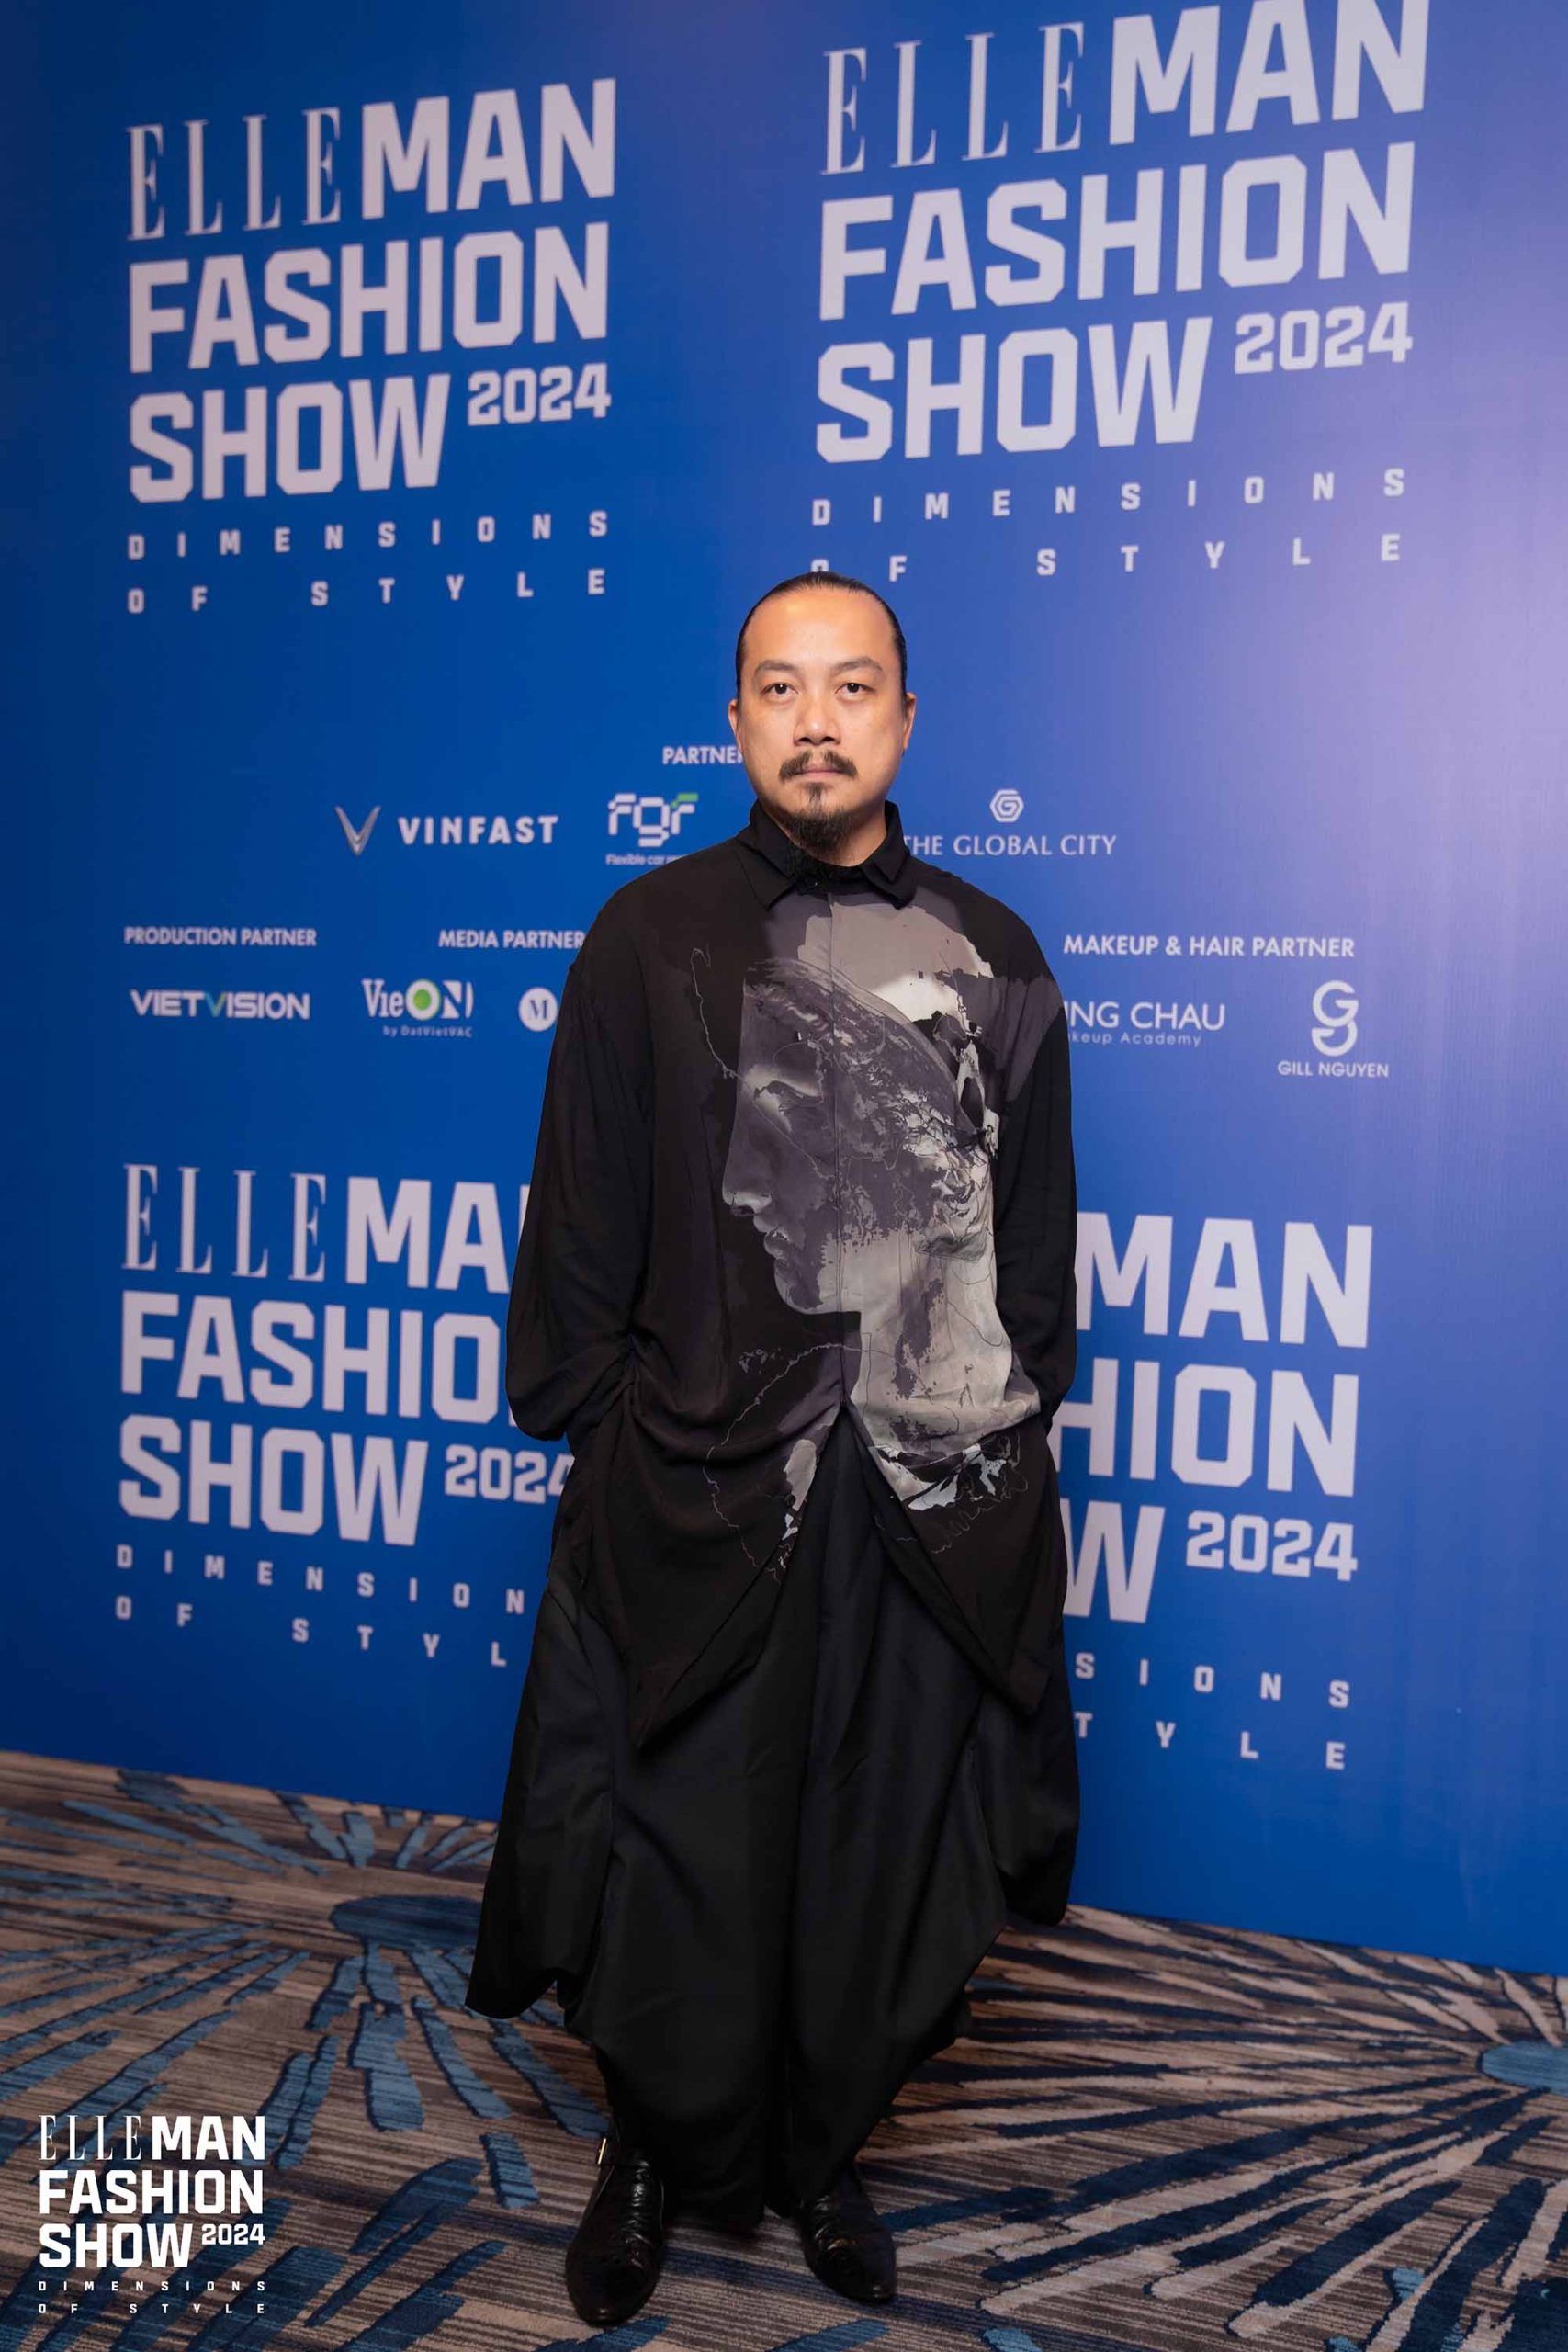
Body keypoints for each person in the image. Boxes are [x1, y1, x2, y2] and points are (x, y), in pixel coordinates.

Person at [465, 571, 1080, 2324]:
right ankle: (650, 2151)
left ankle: (821, 2154)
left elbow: (1033, 1259)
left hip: (923, 1508)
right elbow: (582, 1230)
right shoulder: (646, 935)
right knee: (677, 1847)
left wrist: (977, 1451)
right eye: (782, 688)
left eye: (852, 687)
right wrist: (623, 1447)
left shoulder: (997, 953)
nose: (818, 721)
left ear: (905, 718)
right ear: (735, 719)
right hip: (700, 1488)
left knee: (869, 1851)